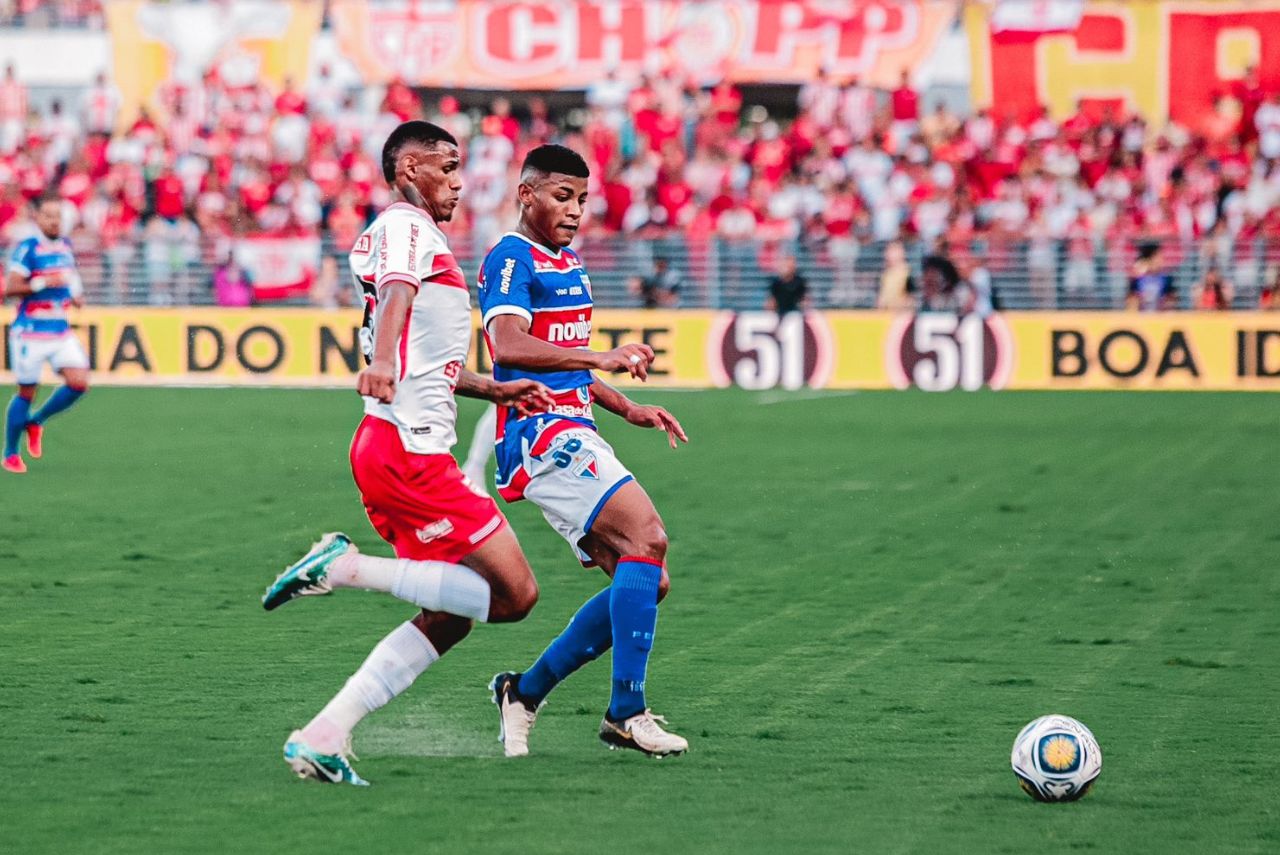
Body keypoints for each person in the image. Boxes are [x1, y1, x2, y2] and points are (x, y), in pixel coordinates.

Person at [260, 122, 556, 786]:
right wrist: (379, 363)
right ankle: (346, 566)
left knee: (452, 615)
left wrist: (492, 386)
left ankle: (323, 733)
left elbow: (430, 357)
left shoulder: (417, 235)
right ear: (410, 168)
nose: (458, 180)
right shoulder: (406, 227)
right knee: (515, 594)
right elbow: (395, 298)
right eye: (447, 167)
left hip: (397, 445)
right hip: (409, 452)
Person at [478, 144, 691, 758]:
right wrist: (601, 355)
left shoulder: (568, 262)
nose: (574, 211)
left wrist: (626, 407)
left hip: (576, 427)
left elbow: (566, 360)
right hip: (540, 433)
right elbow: (511, 345)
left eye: (581, 199)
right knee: (648, 537)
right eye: (561, 196)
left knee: (649, 580)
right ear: (527, 195)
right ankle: (626, 711)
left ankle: (523, 691)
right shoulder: (513, 258)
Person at [3, 192, 90, 474]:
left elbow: (70, 274)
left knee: (79, 382)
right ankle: (10, 453)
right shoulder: (28, 248)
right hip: (30, 331)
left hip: (59, 327)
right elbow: (11, 289)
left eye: (58, 216)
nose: (55, 222)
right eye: (49, 216)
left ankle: (36, 421)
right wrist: (42, 283)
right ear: (37, 218)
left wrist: (76, 295)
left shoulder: (65, 245)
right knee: (27, 391)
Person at [1126, 244, 1176, 311]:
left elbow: (1171, 303)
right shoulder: (1137, 279)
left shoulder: (1166, 278)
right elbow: (1131, 303)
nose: (1162, 260)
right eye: (1159, 257)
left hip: (1160, 317)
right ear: (1150, 258)